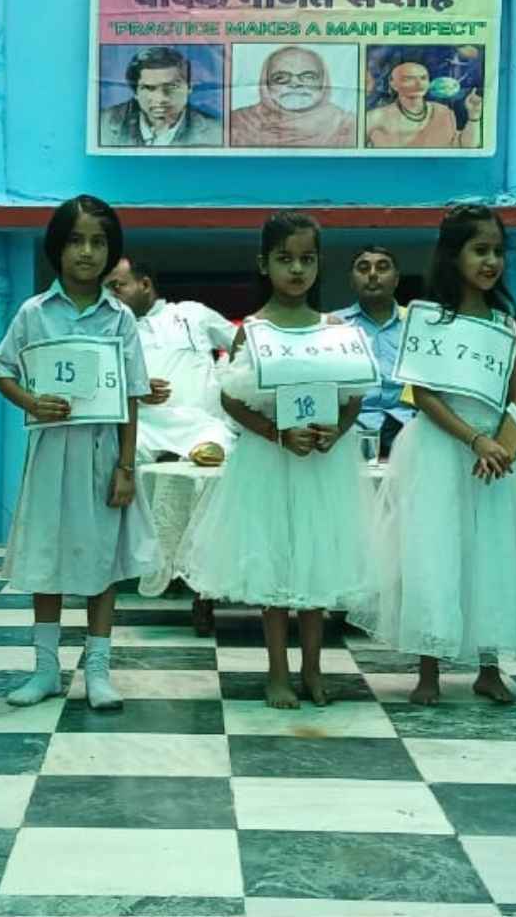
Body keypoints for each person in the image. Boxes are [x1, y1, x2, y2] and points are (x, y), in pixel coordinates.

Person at [173, 211, 371, 709]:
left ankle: (313, 669)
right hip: (270, 463)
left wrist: (336, 430)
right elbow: (230, 398)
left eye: (307, 259)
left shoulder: (334, 329)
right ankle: (277, 671)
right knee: (274, 568)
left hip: (321, 466)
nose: (296, 269)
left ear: (319, 264)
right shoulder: (253, 331)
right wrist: (276, 434)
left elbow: (354, 397)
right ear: (265, 263)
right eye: (285, 259)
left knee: (316, 567)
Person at [354, 206, 516, 705]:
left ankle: (489, 667)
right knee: (434, 553)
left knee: (493, 554)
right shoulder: (429, 318)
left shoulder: (504, 323)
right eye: (480, 250)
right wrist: (474, 440)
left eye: (498, 251)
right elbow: (424, 395)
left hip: (495, 458)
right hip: (440, 450)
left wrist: (505, 445)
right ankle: (429, 670)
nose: (491, 261)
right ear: (452, 255)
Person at [0, 195, 159, 710]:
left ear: (112, 250)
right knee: (46, 555)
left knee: (100, 561)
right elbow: (2, 371)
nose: (86, 252)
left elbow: (131, 396)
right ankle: (45, 670)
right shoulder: (33, 313)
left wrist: (126, 466)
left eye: (98, 242)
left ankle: (98, 672)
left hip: (102, 456)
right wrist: (31, 402)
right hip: (50, 454)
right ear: (57, 248)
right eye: (75, 241)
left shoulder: (120, 318)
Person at [102, 257, 236, 464]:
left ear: (145, 285)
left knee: (217, 451)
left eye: (116, 286)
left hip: (201, 426)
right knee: (118, 457)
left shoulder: (191, 313)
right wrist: (135, 387)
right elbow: (100, 387)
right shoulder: (108, 333)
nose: (109, 296)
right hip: (142, 428)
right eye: (105, 290)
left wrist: (225, 376)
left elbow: (244, 347)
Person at [334, 246, 416, 458]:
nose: (372, 274)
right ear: (352, 280)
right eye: (363, 268)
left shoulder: (416, 324)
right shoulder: (333, 325)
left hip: (410, 429)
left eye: (382, 267)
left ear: (396, 279)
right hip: (349, 428)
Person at [229, 46, 358, 148]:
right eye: (281, 78)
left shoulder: (347, 125)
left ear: (324, 82)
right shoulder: (238, 122)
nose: (295, 84)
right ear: (266, 84)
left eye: (308, 77)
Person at [98, 47, 223, 148]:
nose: (161, 99)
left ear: (189, 87)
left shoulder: (217, 131)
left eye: (172, 87)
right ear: (135, 92)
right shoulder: (102, 123)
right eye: (149, 88)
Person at [363, 59, 484, 149]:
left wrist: (474, 116)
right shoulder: (375, 117)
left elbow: (467, 147)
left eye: (423, 78)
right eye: (409, 79)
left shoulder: (444, 112)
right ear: (393, 84)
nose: (418, 84)